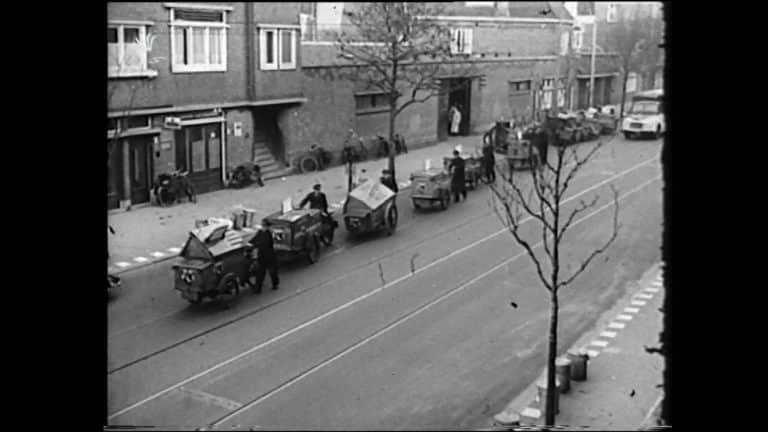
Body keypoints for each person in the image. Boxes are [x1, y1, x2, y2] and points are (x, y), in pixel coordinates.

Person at [249, 220, 279, 293]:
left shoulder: (269, 234)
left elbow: (264, 243)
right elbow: (254, 239)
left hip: (269, 255)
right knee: (260, 272)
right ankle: (258, 288)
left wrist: (255, 245)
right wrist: (249, 243)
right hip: (262, 255)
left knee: (271, 271)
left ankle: (274, 284)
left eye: (264, 226)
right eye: (262, 225)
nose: (262, 227)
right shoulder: (260, 232)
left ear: (267, 226)